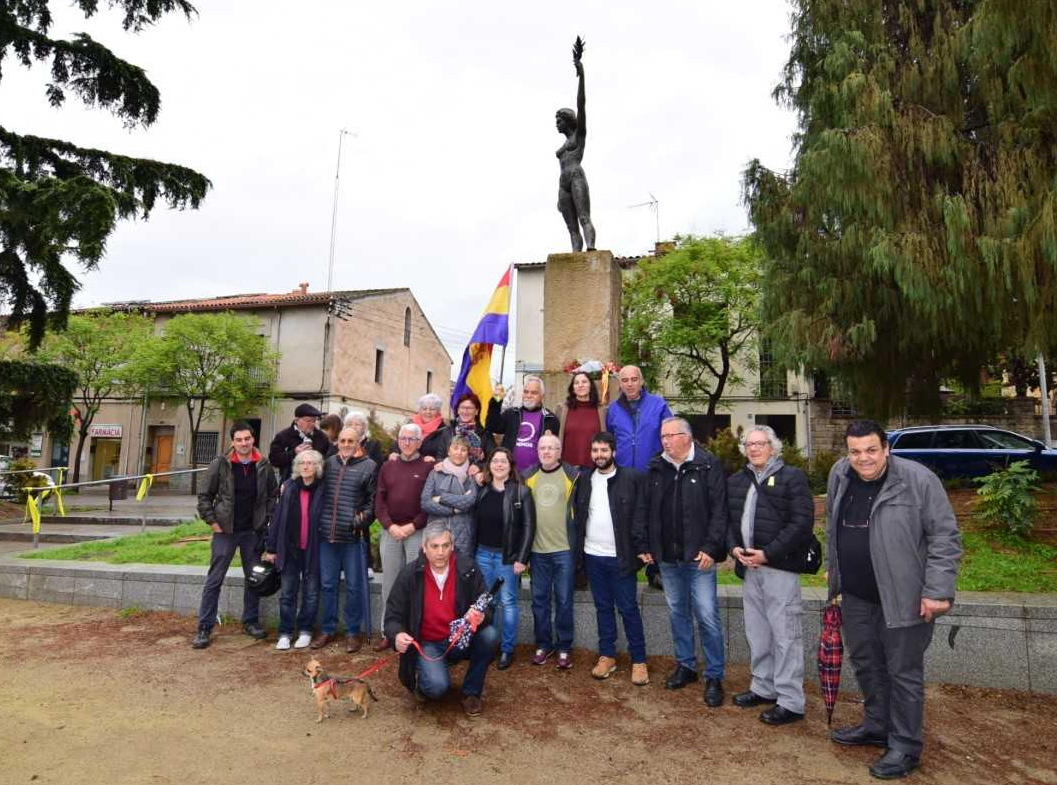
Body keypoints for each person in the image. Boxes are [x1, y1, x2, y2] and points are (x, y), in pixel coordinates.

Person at [826, 419, 961, 780]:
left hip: (905, 597)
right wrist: (834, 570)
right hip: (855, 594)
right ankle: (876, 725)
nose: (863, 459)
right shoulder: (840, 473)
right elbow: (832, 523)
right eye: (855, 451)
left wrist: (937, 590)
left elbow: (944, 537)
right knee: (867, 663)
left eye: (871, 450)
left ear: (887, 448)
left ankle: (904, 746)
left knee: (903, 674)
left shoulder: (917, 480)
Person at [634, 417, 728, 706]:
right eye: (662, 436)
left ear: (686, 437)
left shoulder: (708, 465)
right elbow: (643, 509)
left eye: (670, 435)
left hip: (698, 557)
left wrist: (712, 548)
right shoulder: (656, 467)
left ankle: (714, 674)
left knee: (707, 615)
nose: (665, 440)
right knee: (677, 612)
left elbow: (719, 512)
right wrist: (644, 544)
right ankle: (686, 665)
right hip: (668, 557)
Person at [726, 426, 814, 725]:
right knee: (758, 633)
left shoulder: (793, 478)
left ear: (773, 447)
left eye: (760, 444)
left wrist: (769, 553)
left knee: (785, 635)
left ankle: (790, 701)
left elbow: (802, 523)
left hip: (779, 568)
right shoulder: (738, 481)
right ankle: (763, 687)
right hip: (749, 570)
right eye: (749, 444)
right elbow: (727, 520)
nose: (754, 449)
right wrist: (734, 548)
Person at [384, 521, 498, 717]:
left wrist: (480, 616)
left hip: (459, 639)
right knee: (436, 688)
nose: (441, 552)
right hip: (428, 643)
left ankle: (472, 692)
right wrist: (397, 634)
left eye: (446, 545)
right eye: (434, 546)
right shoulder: (410, 575)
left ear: (452, 546)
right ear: (424, 547)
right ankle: (426, 678)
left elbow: (487, 604)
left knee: (490, 635)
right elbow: (392, 616)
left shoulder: (468, 568)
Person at [192, 421, 278, 649]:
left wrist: (266, 519)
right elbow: (204, 495)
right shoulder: (220, 464)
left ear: (253, 440)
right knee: (214, 580)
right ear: (232, 442)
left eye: (247, 439)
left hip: (252, 532)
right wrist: (212, 522)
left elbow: (272, 494)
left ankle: (250, 621)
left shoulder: (264, 465)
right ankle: (204, 627)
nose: (243, 443)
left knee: (254, 579)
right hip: (225, 532)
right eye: (239, 440)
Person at [574, 431, 649, 686]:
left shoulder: (631, 478)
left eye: (604, 451)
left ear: (614, 452)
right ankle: (607, 655)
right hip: (593, 555)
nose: (599, 455)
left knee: (628, 609)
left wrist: (642, 546)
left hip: (621, 557)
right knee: (603, 608)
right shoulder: (584, 479)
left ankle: (639, 660)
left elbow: (641, 516)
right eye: (595, 451)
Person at [606, 364, 671, 590]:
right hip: (625, 476)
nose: (630, 384)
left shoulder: (659, 404)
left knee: (654, 522)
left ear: (641, 381)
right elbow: (610, 441)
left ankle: (655, 570)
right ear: (620, 383)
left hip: (652, 473)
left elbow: (669, 435)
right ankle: (629, 567)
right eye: (625, 380)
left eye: (634, 379)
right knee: (626, 521)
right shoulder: (613, 409)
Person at [312, 427, 376, 653]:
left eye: (351, 440)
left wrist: (358, 522)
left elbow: (372, 503)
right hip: (327, 536)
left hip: (352, 537)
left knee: (353, 587)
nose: (346, 444)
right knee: (327, 585)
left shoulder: (369, 466)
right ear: (337, 442)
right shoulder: (328, 464)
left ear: (359, 442)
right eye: (342, 440)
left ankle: (352, 631)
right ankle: (328, 629)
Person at [473, 447, 535, 669]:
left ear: (510, 466)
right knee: (488, 603)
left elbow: (529, 527)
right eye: (495, 461)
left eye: (503, 462)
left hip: (507, 558)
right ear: (489, 465)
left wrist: (522, 557)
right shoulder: (482, 490)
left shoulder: (521, 492)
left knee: (508, 602)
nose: (499, 465)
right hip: (482, 554)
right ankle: (489, 646)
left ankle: (507, 649)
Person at [522, 434, 580, 669]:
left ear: (559, 451)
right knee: (539, 600)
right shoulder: (527, 476)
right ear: (537, 451)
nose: (546, 452)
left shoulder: (572, 475)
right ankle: (543, 645)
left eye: (551, 448)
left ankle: (564, 646)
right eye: (542, 448)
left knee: (565, 600)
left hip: (564, 549)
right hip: (537, 551)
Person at [373, 423, 431, 652]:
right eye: (403, 438)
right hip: (391, 533)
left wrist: (411, 526)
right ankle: (388, 632)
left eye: (411, 439)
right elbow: (380, 501)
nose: (406, 442)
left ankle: (412, 632)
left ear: (419, 442)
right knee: (390, 583)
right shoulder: (387, 466)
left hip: (416, 532)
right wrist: (390, 526)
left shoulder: (429, 468)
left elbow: (429, 504)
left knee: (416, 584)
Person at [263, 449, 325, 651]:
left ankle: (306, 630)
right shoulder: (289, 488)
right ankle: (285, 632)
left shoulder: (324, 489)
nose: (306, 466)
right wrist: (271, 547)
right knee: (288, 592)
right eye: (302, 463)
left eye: (310, 463)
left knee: (311, 592)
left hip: (314, 549)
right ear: (297, 467)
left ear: (317, 467)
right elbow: (277, 519)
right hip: (290, 549)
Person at [555, 35, 596, 251]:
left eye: (559, 120)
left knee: (583, 217)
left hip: (576, 176)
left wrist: (581, 75)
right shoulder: (562, 145)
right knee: (571, 228)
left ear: (568, 120)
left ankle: (590, 248)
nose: (556, 124)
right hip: (563, 183)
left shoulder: (578, 136)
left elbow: (582, 104)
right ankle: (575, 254)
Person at [485, 376, 560, 474]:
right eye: (526, 391)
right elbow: (492, 427)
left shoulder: (551, 419)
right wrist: (496, 401)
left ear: (542, 396)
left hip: (536, 474)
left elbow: (552, 452)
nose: (528, 395)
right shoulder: (511, 413)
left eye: (534, 393)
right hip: (510, 474)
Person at [421, 435, 478, 555]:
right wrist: (452, 510)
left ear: (468, 453)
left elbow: (469, 501)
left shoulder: (472, 475)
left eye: (463, 450)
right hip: (436, 533)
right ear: (448, 451)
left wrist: (441, 498)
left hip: (463, 536)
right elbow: (425, 503)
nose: (459, 453)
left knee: (460, 570)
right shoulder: (435, 473)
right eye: (455, 448)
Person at [554, 371, 607, 469]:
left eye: (584, 382)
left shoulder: (602, 411)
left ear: (591, 385)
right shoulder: (561, 409)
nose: (580, 385)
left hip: (594, 467)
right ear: (572, 388)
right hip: (568, 468)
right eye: (576, 383)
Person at [269, 403, 331, 481]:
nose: (312, 424)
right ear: (297, 420)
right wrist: (294, 453)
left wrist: (314, 456)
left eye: (314, 421)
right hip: (290, 483)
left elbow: (327, 461)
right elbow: (274, 460)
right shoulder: (283, 436)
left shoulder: (321, 437)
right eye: (308, 421)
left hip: (315, 483)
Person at [429, 392, 489, 465]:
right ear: (458, 410)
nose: (465, 411)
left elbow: (492, 459)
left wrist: (479, 467)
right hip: (450, 473)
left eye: (469, 408)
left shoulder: (484, 433)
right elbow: (440, 457)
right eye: (462, 407)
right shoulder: (448, 431)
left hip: (473, 474)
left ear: (476, 411)